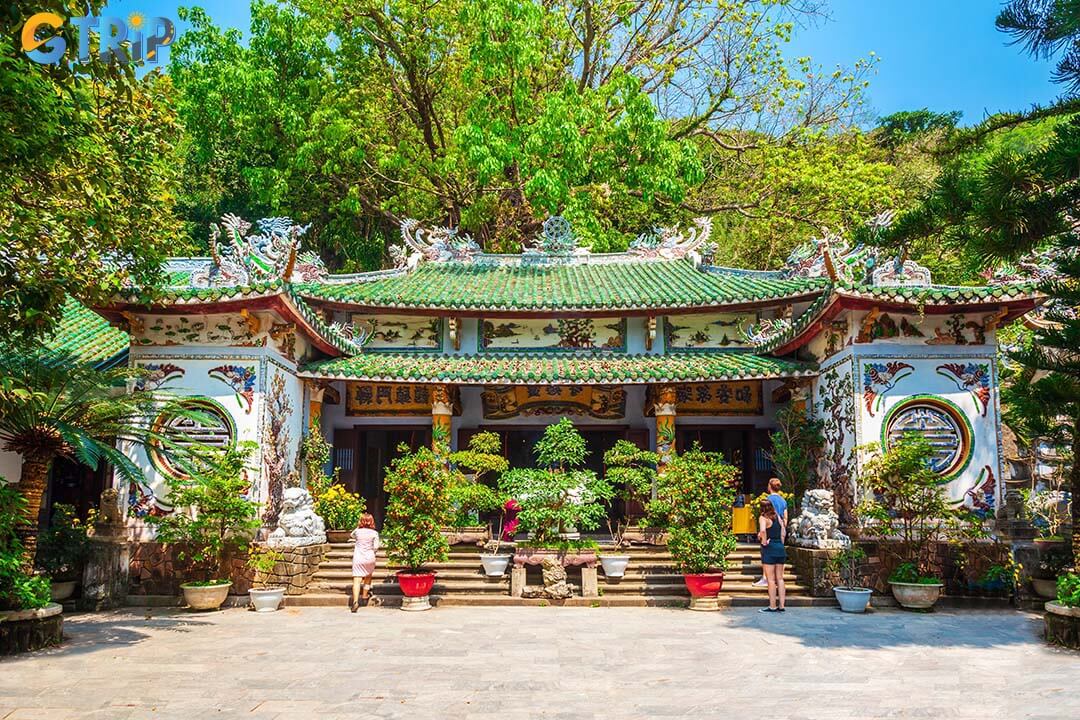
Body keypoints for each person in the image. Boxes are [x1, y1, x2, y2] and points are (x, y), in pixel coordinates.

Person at [754, 478, 788, 587]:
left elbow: (765, 519)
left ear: (769, 486)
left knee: (766, 555)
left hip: (769, 528)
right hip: (779, 530)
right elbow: (785, 517)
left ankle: (765, 577)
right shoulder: (783, 501)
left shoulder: (768, 499)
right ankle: (777, 580)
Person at [757, 498, 787, 613]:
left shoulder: (763, 518)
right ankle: (782, 605)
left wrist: (764, 542)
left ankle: (772, 606)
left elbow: (763, 531)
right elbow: (783, 531)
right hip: (779, 547)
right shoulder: (777, 517)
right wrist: (780, 543)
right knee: (780, 578)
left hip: (769, 549)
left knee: (770, 580)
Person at [350, 513, 380, 612]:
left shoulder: (357, 532)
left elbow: (351, 535)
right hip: (369, 557)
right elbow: (376, 547)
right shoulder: (374, 533)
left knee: (357, 580)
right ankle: (364, 595)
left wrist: (359, 527)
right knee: (368, 576)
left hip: (358, 557)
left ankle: (355, 601)